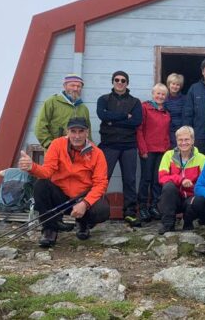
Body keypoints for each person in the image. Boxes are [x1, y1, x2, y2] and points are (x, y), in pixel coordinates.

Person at [18, 117, 109, 248]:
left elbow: (101, 183)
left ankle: (82, 223)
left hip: (82, 197)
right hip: (61, 196)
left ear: (87, 133)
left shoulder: (97, 153)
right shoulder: (56, 145)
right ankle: (50, 229)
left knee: (102, 209)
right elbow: (47, 172)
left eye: (81, 131)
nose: (77, 136)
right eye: (73, 131)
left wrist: (85, 203)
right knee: (41, 185)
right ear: (68, 132)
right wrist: (32, 167)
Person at [96, 70, 143, 227]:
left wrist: (113, 119)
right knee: (103, 178)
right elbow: (102, 115)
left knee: (129, 180)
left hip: (129, 146)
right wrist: (124, 116)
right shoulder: (103, 99)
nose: (120, 82)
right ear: (113, 82)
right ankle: (94, 210)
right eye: (117, 80)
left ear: (127, 83)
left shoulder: (135, 102)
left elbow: (136, 121)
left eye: (123, 80)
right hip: (108, 145)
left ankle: (129, 213)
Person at [157, 126, 205, 234]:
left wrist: (191, 186)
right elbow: (162, 177)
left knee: (199, 199)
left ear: (193, 140)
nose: (183, 143)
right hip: (174, 198)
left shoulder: (201, 158)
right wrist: (181, 180)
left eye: (187, 139)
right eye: (180, 140)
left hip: (191, 197)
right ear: (176, 141)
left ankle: (188, 223)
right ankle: (168, 224)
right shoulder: (168, 155)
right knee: (168, 186)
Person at [136, 83, 171, 224]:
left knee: (158, 180)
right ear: (153, 94)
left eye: (163, 94)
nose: (160, 96)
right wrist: (142, 149)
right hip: (148, 150)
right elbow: (139, 129)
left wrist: (168, 148)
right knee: (146, 179)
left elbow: (166, 132)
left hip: (162, 150)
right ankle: (143, 207)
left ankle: (154, 206)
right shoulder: (145, 108)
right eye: (158, 93)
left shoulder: (166, 112)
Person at [35, 74, 92, 149]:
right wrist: (50, 145)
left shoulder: (83, 108)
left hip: (78, 153)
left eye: (79, 86)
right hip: (56, 151)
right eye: (72, 85)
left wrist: (89, 148)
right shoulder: (52, 102)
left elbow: (88, 132)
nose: (75, 88)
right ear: (65, 86)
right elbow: (40, 126)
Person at [164, 73, 186, 148]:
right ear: (169, 84)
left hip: (180, 130)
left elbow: (185, 115)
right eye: (173, 84)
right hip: (166, 130)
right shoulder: (163, 98)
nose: (175, 86)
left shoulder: (184, 99)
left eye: (177, 84)